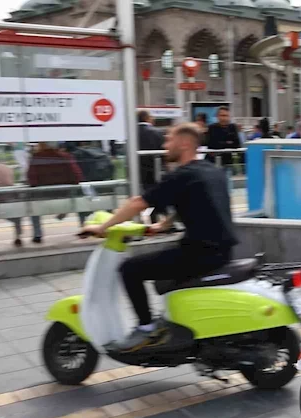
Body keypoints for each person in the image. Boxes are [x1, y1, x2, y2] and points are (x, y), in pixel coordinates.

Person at [81, 123, 237, 353]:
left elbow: (138, 203)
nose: (165, 145)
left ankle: (146, 328)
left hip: (201, 253)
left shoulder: (182, 175)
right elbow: (198, 202)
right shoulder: (210, 170)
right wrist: (163, 225)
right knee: (159, 268)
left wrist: (102, 227)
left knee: (130, 269)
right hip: (221, 250)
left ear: (184, 144)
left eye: (169, 139)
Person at [27, 142, 84, 244]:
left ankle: (37, 234)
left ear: (42, 145)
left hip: (43, 195)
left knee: (33, 208)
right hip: (65, 194)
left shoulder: (36, 158)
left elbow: (32, 180)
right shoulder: (65, 156)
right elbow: (77, 176)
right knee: (80, 200)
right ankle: (83, 227)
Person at [138, 110, 165, 221]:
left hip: (137, 168)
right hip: (154, 168)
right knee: (157, 193)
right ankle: (156, 217)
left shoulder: (132, 132)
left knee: (141, 194)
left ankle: (141, 218)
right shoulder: (157, 132)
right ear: (147, 118)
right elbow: (163, 150)